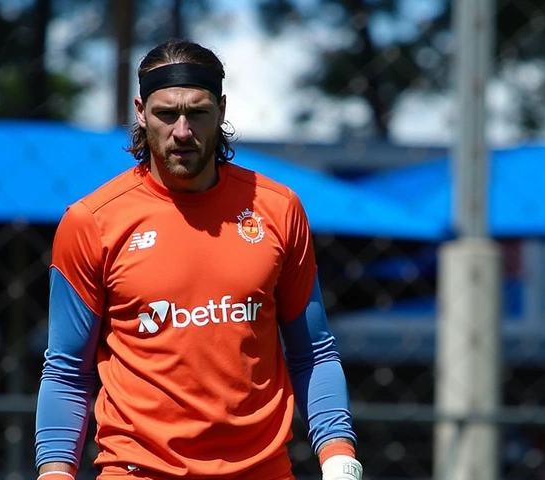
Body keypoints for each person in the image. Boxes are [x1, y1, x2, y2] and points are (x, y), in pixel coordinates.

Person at [33, 38, 363, 480]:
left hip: (262, 470)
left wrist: (339, 455)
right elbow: (68, 371)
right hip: (138, 470)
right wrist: (54, 473)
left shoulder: (279, 209)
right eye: (166, 114)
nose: (182, 131)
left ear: (222, 111)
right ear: (140, 111)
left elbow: (314, 353)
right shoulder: (91, 222)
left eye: (199, 113)